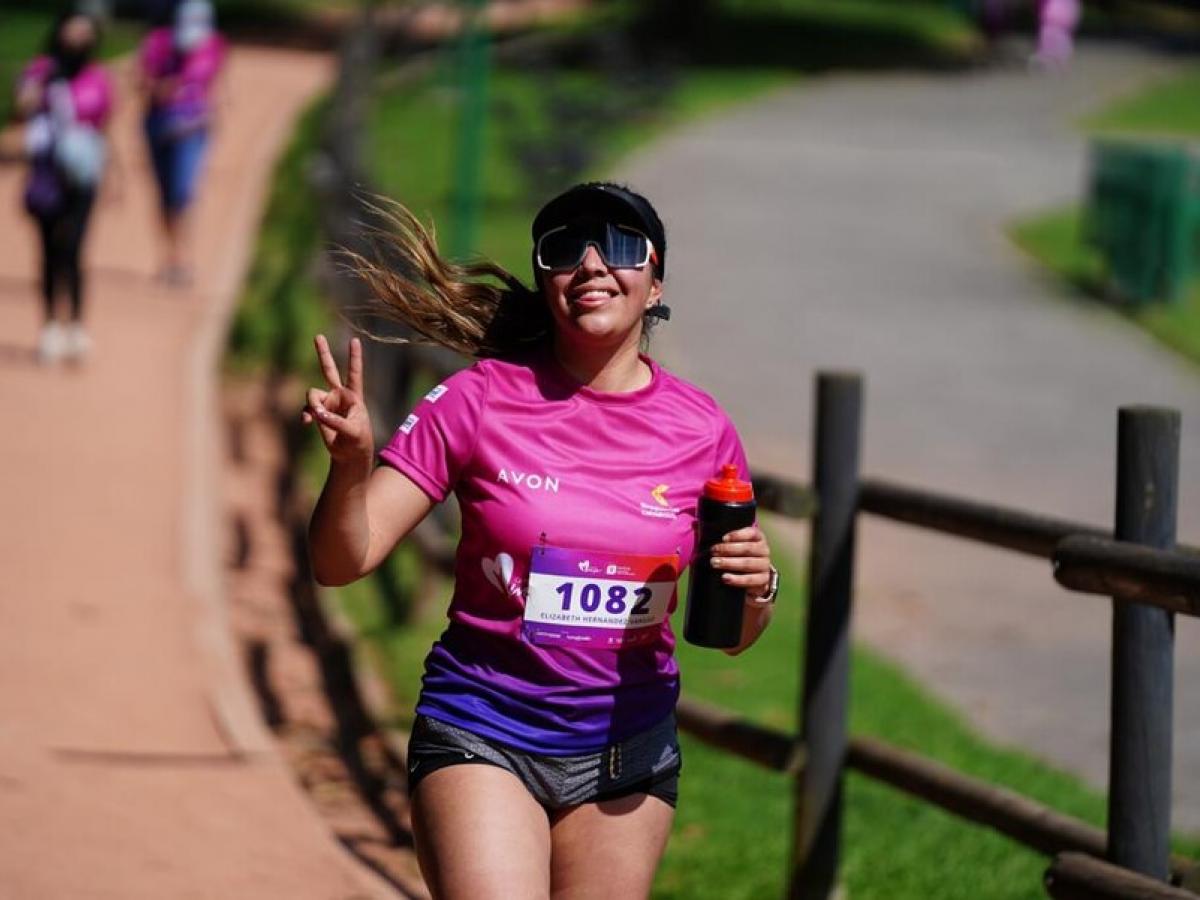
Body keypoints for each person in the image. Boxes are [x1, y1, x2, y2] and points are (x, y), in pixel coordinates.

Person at [305, 182, 779, 899]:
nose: (590, 263)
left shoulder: (703, 431)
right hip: (483, 730)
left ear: (655, 285)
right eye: (563, 250)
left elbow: (736, 634)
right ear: (547, 283)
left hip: (627, 751)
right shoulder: (477, 399)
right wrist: (350, 468)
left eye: (618, 246)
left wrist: (758, 587)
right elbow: (342, 561)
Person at [15, 11, 113, 365]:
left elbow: (104, 127)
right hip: (47, 176)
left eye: (85, 35)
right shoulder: (40, 71)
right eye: (73, 34)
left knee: (73, 249)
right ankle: (49, 325)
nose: (78, 42)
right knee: (47, 251)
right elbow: (21, 108)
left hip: (83, 175)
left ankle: (75, 324)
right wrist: (43, 86)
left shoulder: (98, 78)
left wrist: (111, 173)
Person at [137, 0, 225, 286]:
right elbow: (142, 83)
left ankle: (183, 257)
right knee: (165, 195)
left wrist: (211, 110)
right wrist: (161, 88)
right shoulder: (157, 42)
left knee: (183, 192)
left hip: (192, 130)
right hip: (160, 126)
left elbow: (214, 84)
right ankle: (170, 255)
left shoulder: (214, 44)